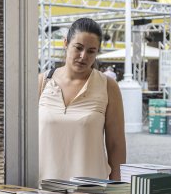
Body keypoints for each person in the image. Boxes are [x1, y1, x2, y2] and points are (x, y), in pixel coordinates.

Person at [38, 18, 126, 181]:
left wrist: (117, 187)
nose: (83, 56)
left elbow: (116, 145)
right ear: (66, 43)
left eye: (91, 51)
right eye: (78, 48)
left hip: (91, 190)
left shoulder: (108, 86)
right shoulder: (42, 82)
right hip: (43, 189)